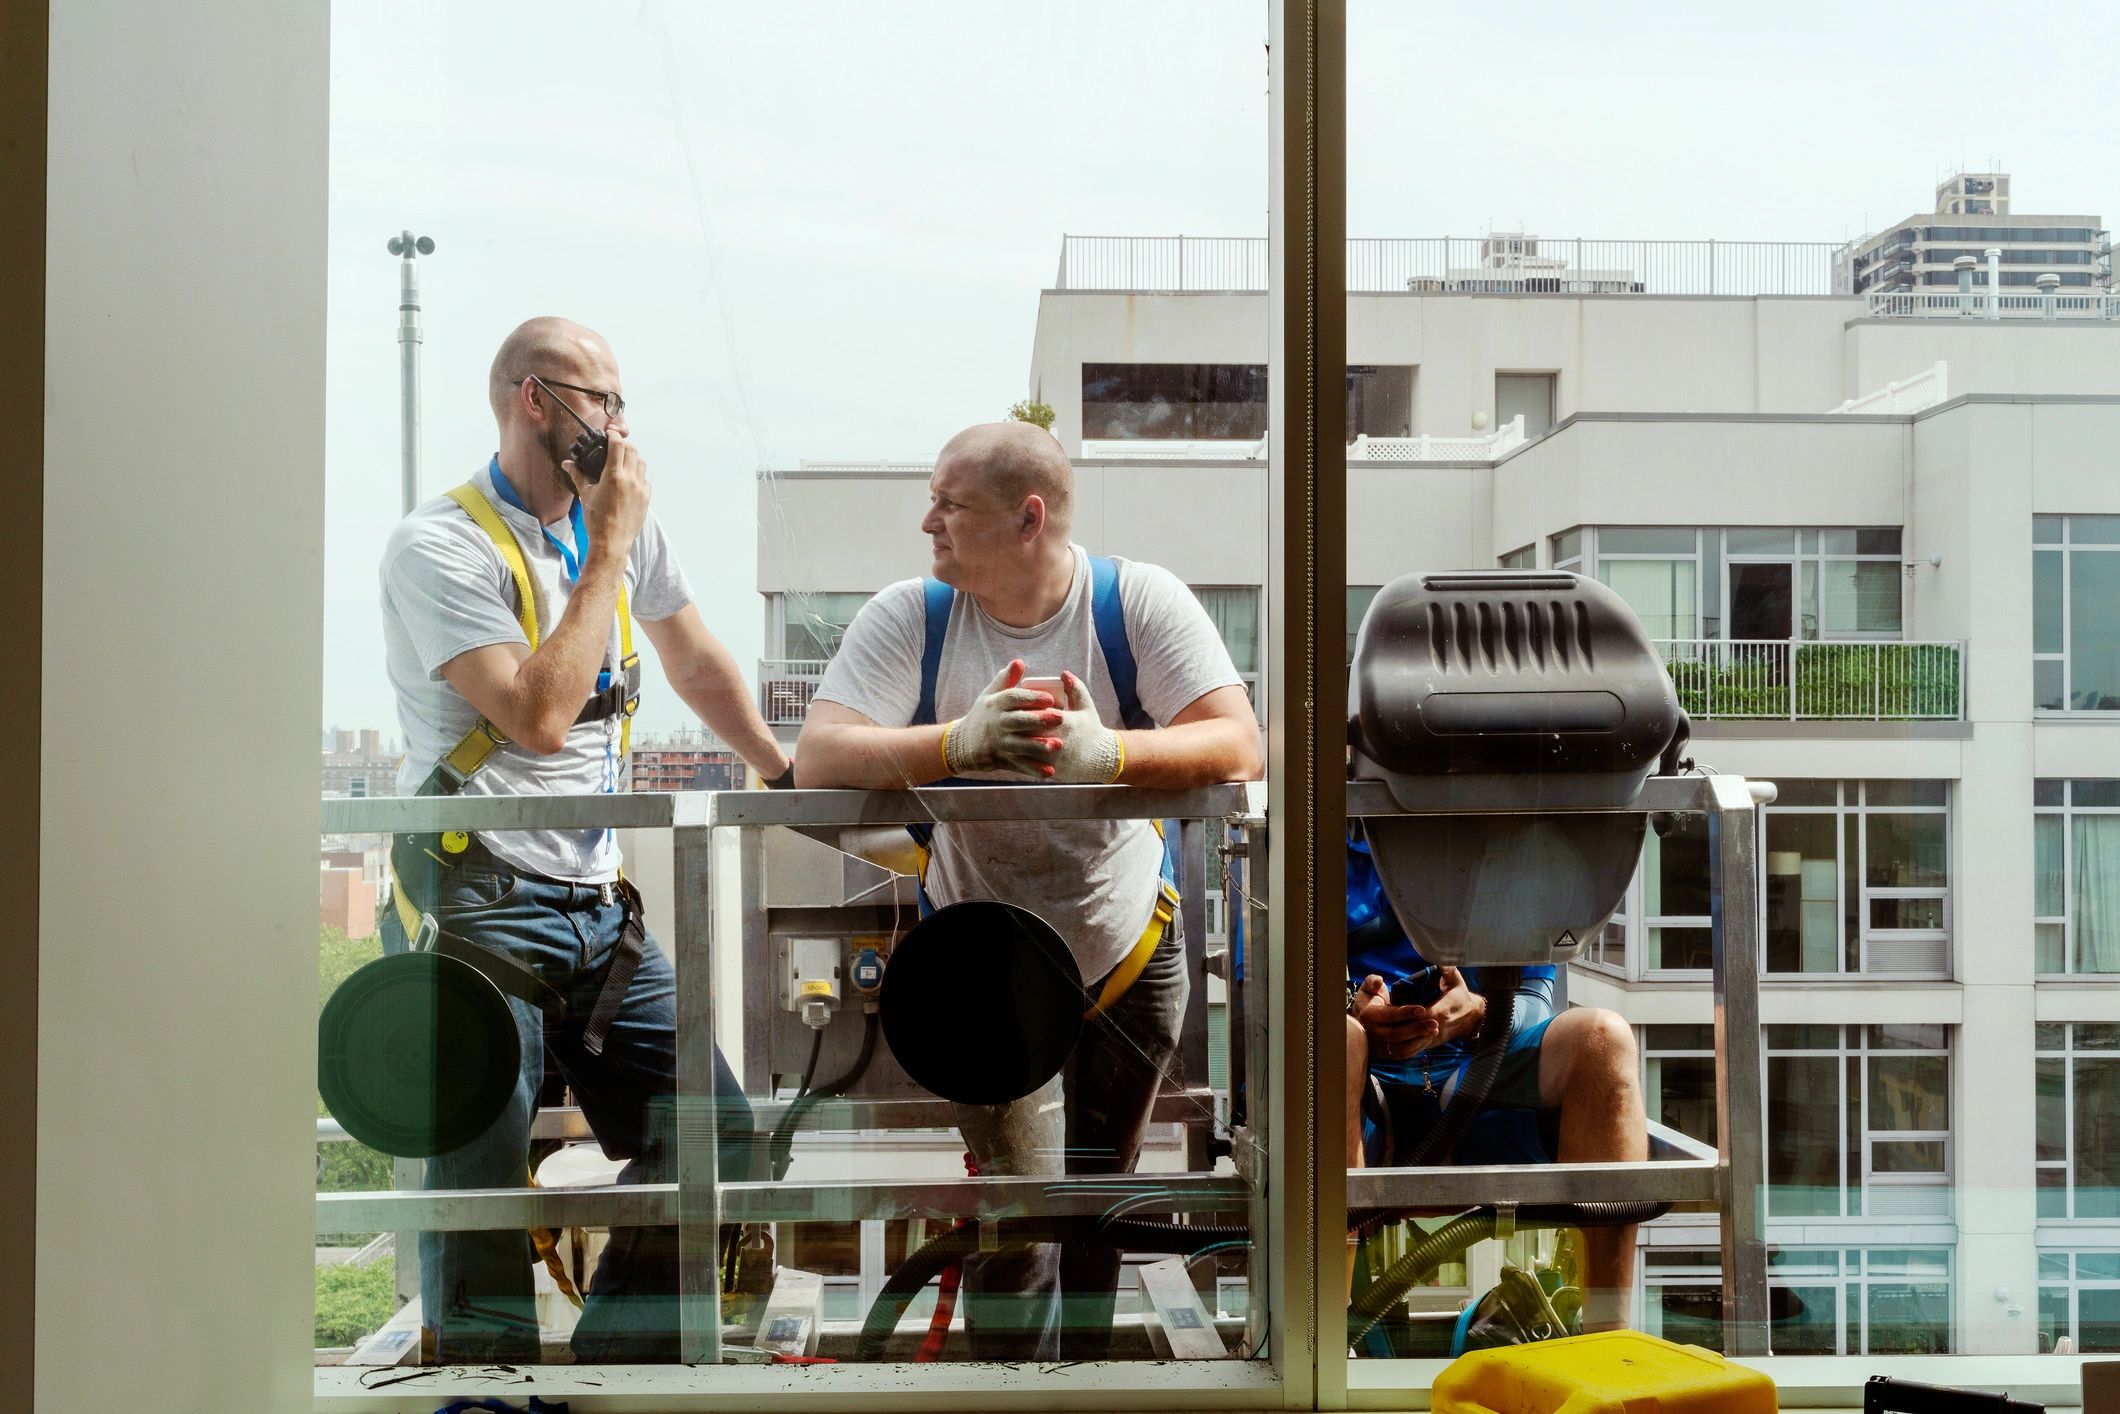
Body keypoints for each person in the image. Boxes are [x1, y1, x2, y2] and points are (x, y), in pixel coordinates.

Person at [795, 420, 1264, 1359]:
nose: (928, 522)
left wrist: (1112, 755)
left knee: (1100, 1204)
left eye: (950, 504)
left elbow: (1237, 743)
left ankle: (1084, 1383)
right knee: (1015, 1217)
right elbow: (820, 757)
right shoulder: (915, 617)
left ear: (1028, 519)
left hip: (1128, 948)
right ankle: (1010, 1391)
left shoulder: (1133, 605)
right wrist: (955, 745)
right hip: (987, 965)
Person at [378, 315, 793, 1364]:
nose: (617, 423)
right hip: (480, 899)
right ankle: (486, 1382)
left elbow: (694, 660)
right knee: (475, 1175)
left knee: (717, 1131)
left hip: (596, 906)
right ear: (536, 400)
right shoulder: (440, 545)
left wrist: (779, 770)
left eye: (619, 404)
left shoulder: (624, 531)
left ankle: (620, 1361)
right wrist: (604, 545)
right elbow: (537, 716)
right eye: (602, 401)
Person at [1342, 829, 1647, 1334]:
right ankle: (1326, 1345)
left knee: (1604, 1040)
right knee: (1337, 1042)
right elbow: (1266, 993)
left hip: (1480, 1076)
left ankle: (1606, 1339)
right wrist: (1350, 1012)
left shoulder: (1508, 837)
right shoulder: (1313, 830)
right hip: (1355, 1089)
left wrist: (1479, 1014)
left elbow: (1532, 996)